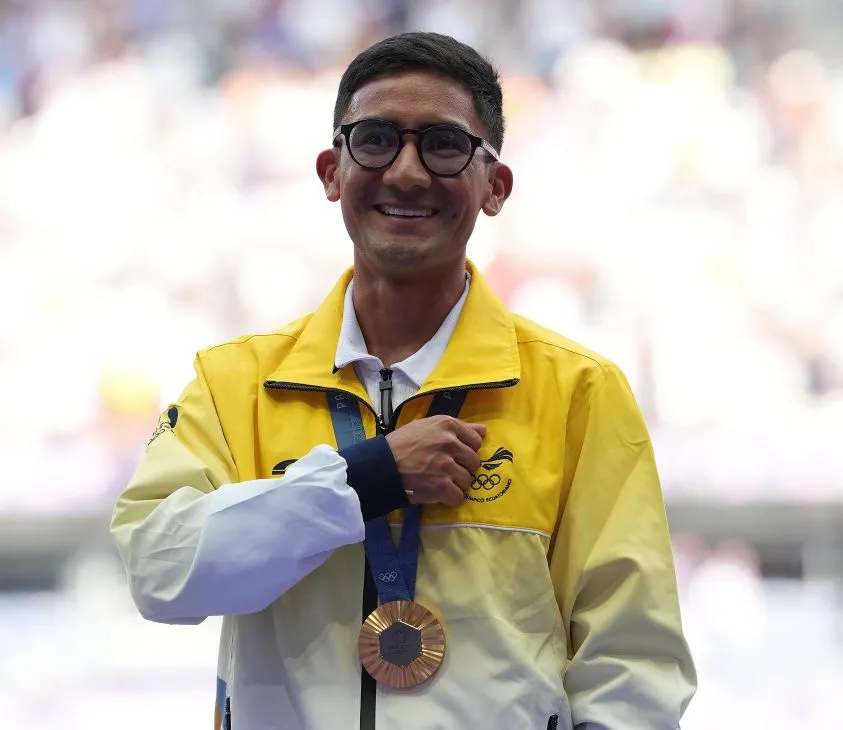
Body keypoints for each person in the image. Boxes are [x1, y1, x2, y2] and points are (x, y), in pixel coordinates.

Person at [110, 31, 696, 730]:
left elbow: (632, 661)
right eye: (377, 140)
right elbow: (160, 570)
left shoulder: (580, 392)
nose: (408, 172)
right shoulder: (234, 384)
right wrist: (365, 480)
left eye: (444, 145)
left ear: (495, 186)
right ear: (332, 172)